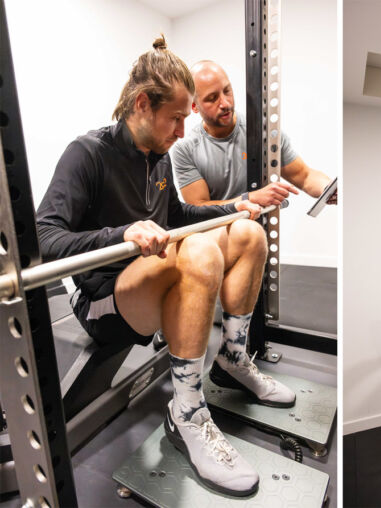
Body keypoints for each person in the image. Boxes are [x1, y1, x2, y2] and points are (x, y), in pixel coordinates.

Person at [35, 37, 295, 497]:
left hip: (147, 282)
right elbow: (43, 237)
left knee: (249, 234)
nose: (182, 131)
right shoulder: (88, 154)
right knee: (197, 253)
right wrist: (123, 234)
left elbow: (177, 218)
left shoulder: (155, 159)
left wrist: (237, 206)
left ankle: (233, 358)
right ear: (142, 104)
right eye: (177, 117)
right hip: (104, 301)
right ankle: (187, 413)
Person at [171, 60, 336, 207]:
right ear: (194, 106)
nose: (225, 103)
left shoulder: (265, 133)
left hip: (260, 233)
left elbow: (305, 176)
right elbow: (199, 207)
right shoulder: (185, 150)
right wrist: (250, 198)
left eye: (227, 91)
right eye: (212, 98)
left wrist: (328, 188)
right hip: (216, 238)